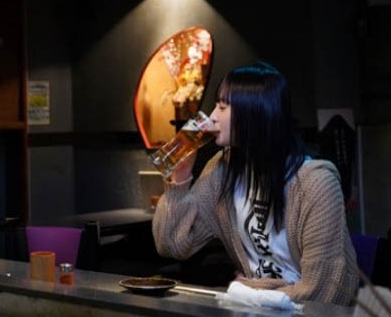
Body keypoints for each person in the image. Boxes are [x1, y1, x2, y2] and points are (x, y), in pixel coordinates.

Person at [152, 62, 359, 305]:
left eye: (222, 107)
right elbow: (172, 245)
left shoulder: (316, 183)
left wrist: (249, 290)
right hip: (255, 309)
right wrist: (179, 179)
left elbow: (324, 292)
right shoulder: (222, 170)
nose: (212, 117)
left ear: (255, 113)